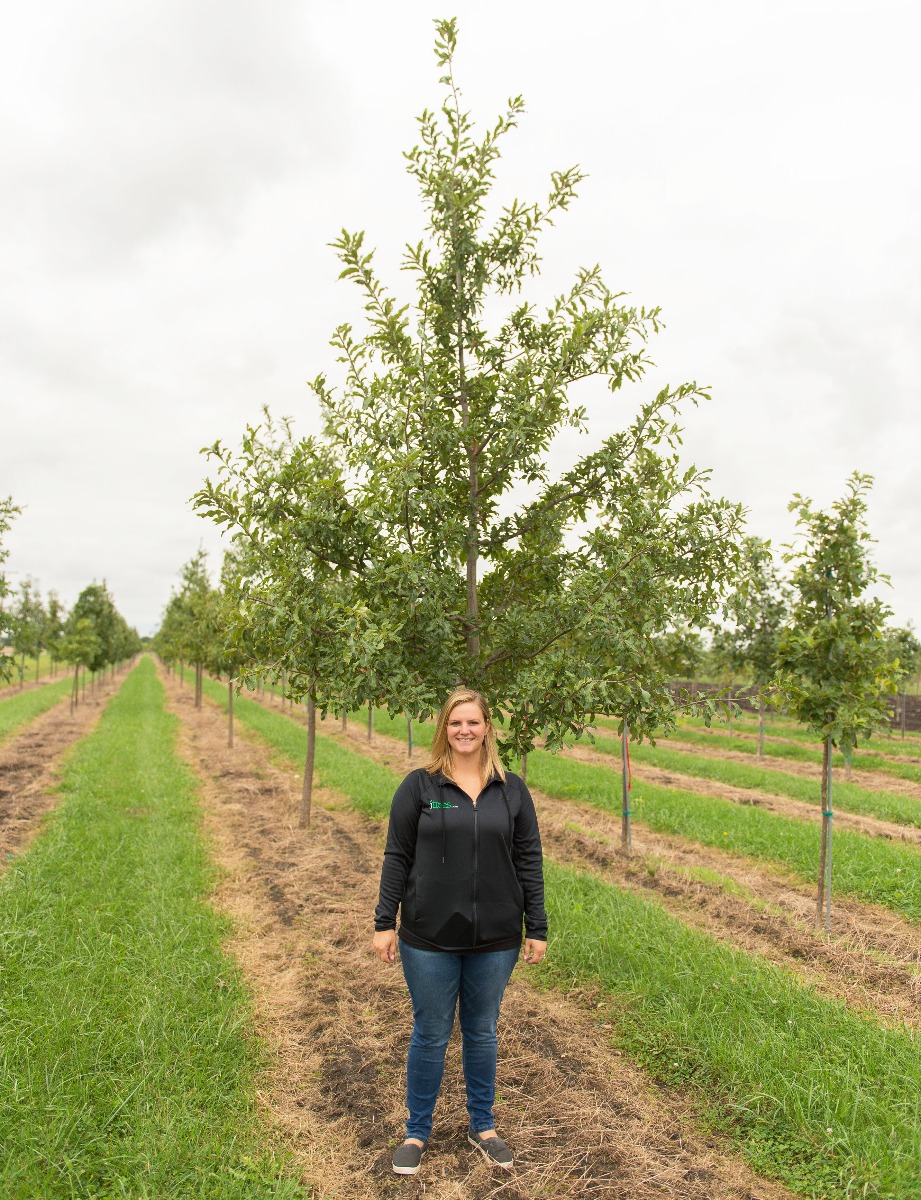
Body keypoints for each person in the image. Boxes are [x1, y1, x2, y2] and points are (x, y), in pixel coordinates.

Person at [373, 687, 548, 1177]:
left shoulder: (511, 790)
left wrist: (537, 925)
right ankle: (417, 1130)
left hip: (495, 938)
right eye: (455, 723)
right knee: (430, 1033)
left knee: (482, 1030)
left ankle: (483, 1126)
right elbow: (396, 855)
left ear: (488, 728)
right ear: (443, 730)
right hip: (428, 937)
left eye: (472, 722)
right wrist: (385, 921)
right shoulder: (420, 787)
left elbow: (529, 860)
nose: (464, 731)